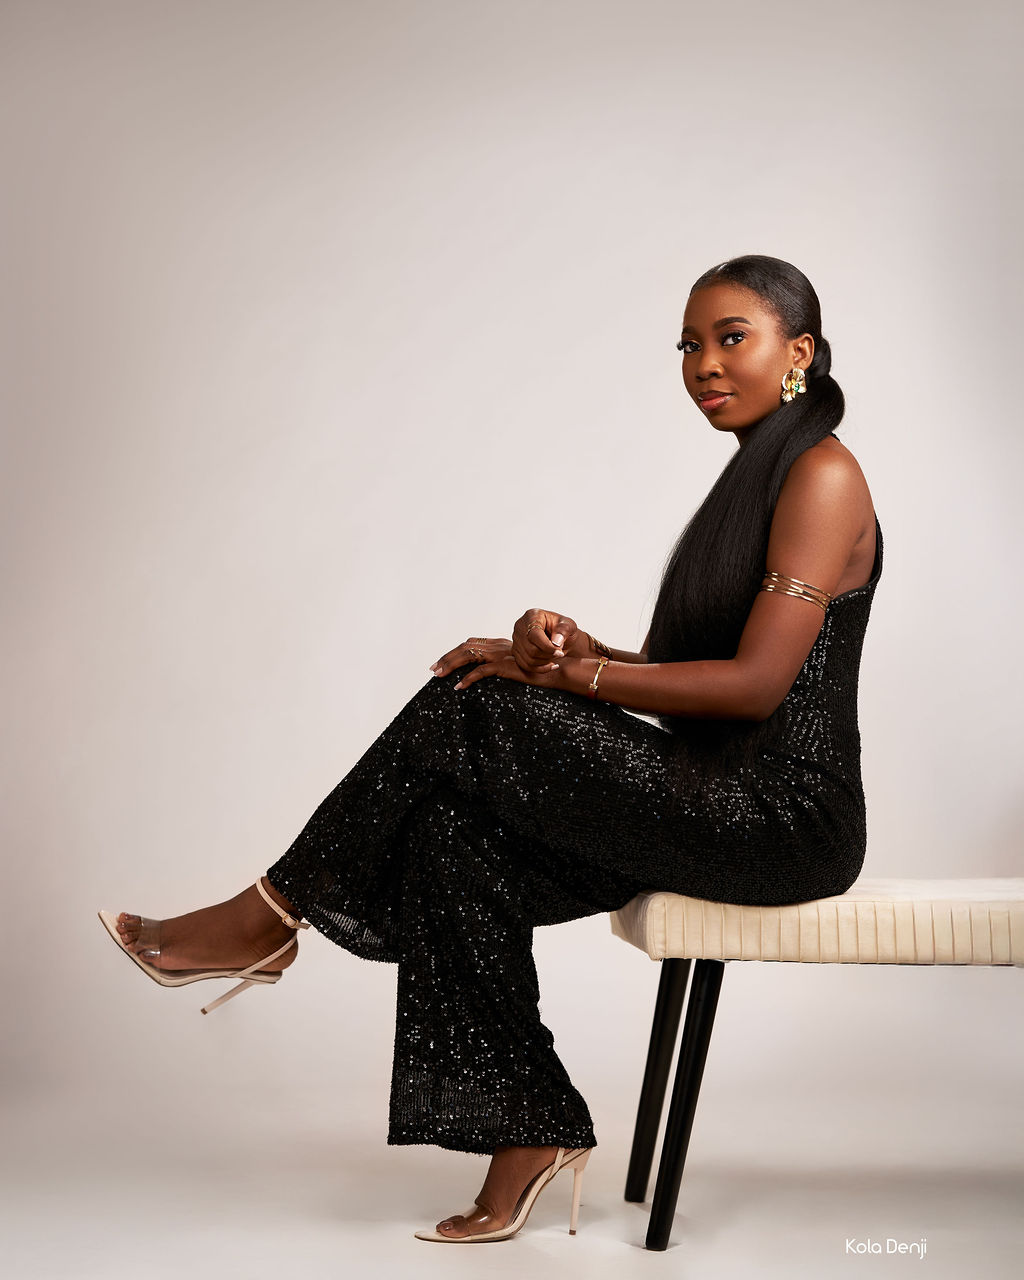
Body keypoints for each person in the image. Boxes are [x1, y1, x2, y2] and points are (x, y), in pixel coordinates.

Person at [98, 254, 882, 1243]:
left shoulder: (822, 473)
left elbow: (757, 688)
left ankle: (271, 911)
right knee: (451, 835)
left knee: (475, 706)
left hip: (782, 820)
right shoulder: (758, 476)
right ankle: (528, 1122)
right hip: (707, 788)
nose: (703, 364)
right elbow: (702, 675)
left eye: (732, 338)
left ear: (798, 351)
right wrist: (587, 652)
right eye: (689, 344)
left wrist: (564, 678)